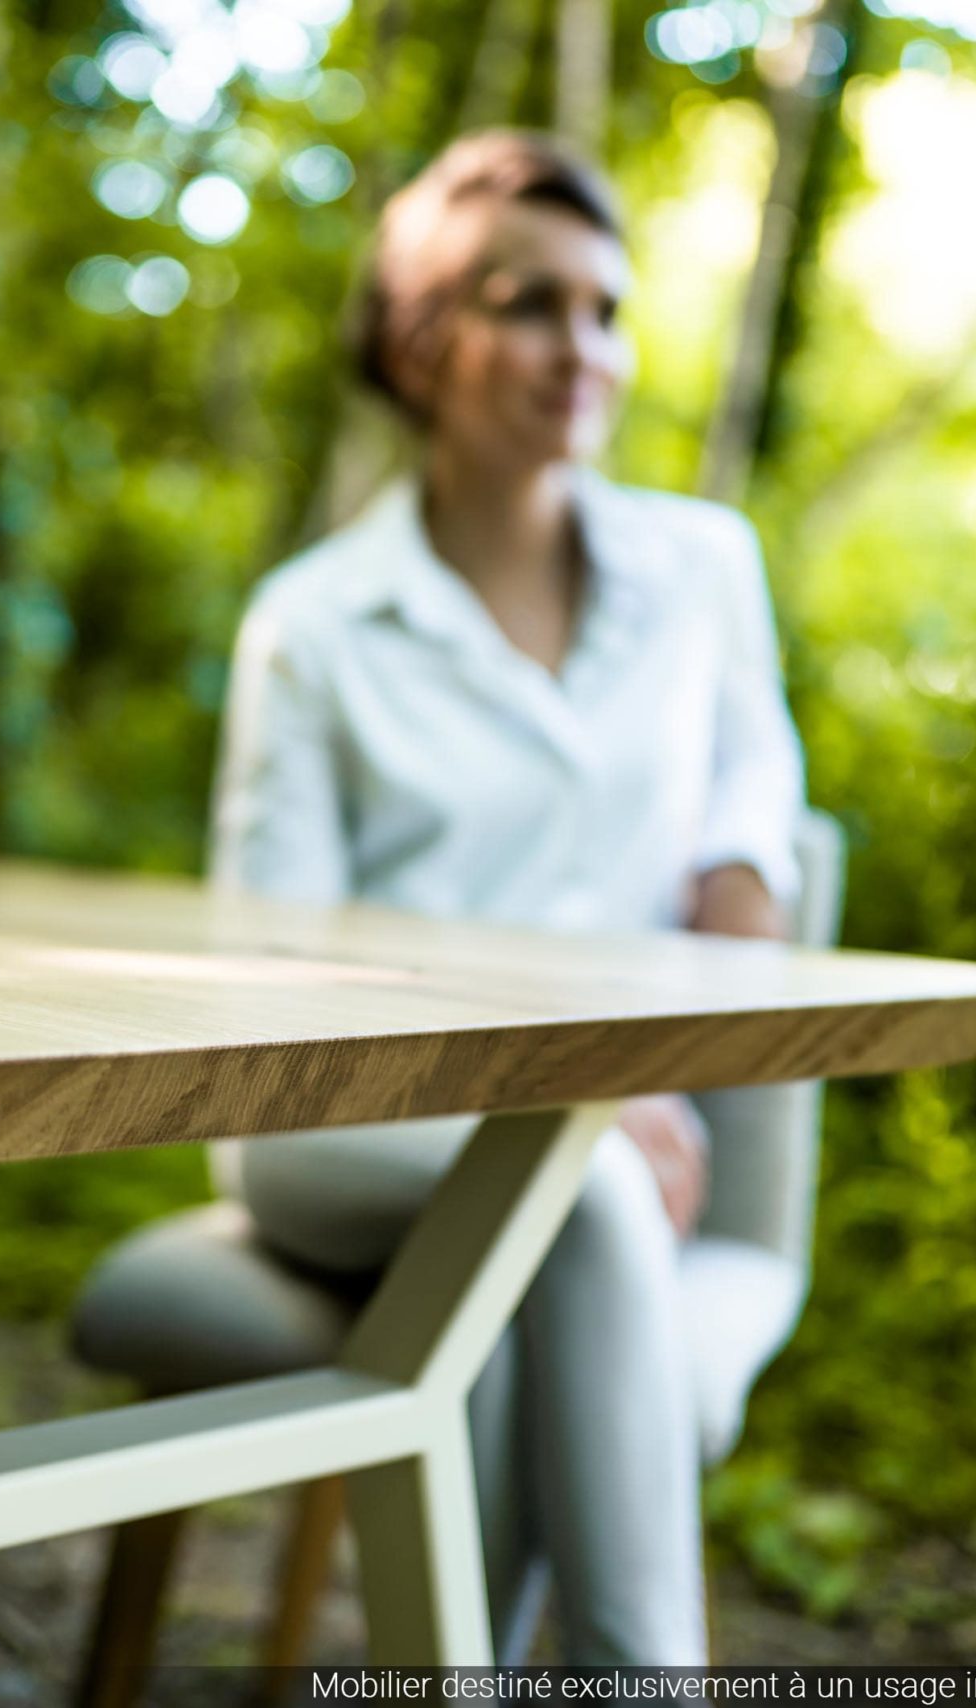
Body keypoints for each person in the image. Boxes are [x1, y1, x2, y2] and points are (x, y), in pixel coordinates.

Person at [204, 128, 808, 1665]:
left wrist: (652, 1079)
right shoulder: (316, 627)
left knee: (542, 1244)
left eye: (605, 310)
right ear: (419, 342)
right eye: (528, 303)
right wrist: (585, 1096)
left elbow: (749, 857)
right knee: (571, 1177)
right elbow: (277, 975)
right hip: (334, 1117)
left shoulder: (704, 573)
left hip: (635, 1134)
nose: (581, 349)